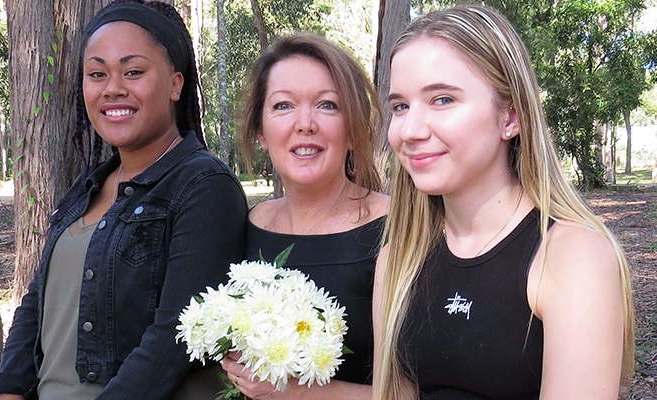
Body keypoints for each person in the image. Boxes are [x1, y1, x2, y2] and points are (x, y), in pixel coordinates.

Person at [0, 1, 247, 398]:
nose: (112, 88)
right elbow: (36, 302)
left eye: (133, 72)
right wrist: (8, 389)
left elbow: (173, 340)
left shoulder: (204, 187)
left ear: (177, 84)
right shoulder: (88, 188)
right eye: (97, 73)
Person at [373, 5, 634, 400]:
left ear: (510, 115)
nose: (409, 130)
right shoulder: (398, 260)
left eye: (442, 99)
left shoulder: (571, 256)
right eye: (400, 106)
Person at [220, 34, 389, 400]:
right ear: (261, 132)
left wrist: (295, 393)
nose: (305, 123)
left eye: (327, 105)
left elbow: (420, 392)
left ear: (354, 131)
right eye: (283, 106)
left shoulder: (396, 229)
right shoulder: (247, 226)